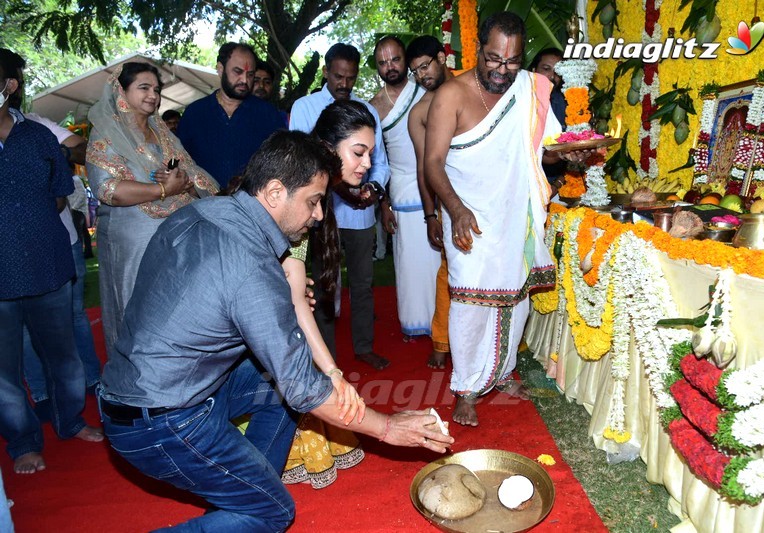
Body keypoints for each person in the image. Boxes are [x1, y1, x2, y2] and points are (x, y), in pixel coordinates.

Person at [99, 130, 454, 530]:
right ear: (273, 192)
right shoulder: (253, 266)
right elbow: (304, 387)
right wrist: (387, 428)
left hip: (141, 388)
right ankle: (250, 504)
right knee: (271, 512)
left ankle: (246, 487)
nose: (319, 215)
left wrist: (276, 311)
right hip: (161, 421)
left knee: (281, 385)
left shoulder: (199, 213)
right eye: (313, 201)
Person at [424, 12, 585, 426]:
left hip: (518, 213)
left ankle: (501, 372)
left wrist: (566, 153)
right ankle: (465, 388)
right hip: (468, 215)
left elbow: (543, 151)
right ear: (479, 49)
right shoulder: (451, 96)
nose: (502, 70)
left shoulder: (532, 89)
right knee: (469, 300)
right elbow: (433, 163)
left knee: (516, 296)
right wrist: (455, 210)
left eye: (512, 62)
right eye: (494, 59)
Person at [0, 48, 103, 476]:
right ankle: (23, 441)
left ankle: (70, 420)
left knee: (63, 357)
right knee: (5, 370)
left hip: (48, 265)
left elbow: (61, 192)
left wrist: (27, 223)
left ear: (9, 86)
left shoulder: (40, 136)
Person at [86, 62, 218, 355]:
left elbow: (193, 174)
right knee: (136, 309)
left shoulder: (162, 133)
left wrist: (182, 182)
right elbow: (108, 189)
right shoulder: (106, 133)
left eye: (157, 90)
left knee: (175, 310)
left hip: (175, 240)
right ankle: (134, 385)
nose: (153, 96)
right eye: (143, 88)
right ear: (122, 91)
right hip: (133, 243)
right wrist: (162, 190)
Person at [290, 43, 392, 370]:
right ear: (325, 72)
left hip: (361, 215)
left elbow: (381, 165)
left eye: (350, 78)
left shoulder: (367, 111)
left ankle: (364, 346)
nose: (344, 84)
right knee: (322, 284)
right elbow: (304, 160)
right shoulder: (306, 107)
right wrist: (343, 190)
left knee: (362, 283)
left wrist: (373, 188)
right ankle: (327, 357)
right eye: (338, 76)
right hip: (322, 214)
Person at [368, 36, 440, 344]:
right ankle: (414, 324)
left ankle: (444, 324)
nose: (390, 67)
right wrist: (384, 206)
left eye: (395, 59)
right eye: (383, 62)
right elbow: (376, 161)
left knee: (438, 261)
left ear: (405, 60)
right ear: (377, 67)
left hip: (436, 186)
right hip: (400, 193)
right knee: (409, 264)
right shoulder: (373, 106)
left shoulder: (426, 91)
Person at [407, 36, 456, 370]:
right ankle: (442, 340)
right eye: (416, 72)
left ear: (442, 57)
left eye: (425, 66)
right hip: (449, 201)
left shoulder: (473, 86)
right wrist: (430, 215)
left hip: (490, 194)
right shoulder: (420, 113)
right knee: (449, 271)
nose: (422, 76)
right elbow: (424, 166)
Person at [177, 43, 285, 189]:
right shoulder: (195, 113)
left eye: (250, 74)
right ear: (220, 69)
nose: (244, 80)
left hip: (251, 207)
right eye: (237, 72)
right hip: (203, 205)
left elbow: (282, 163)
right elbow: (179, 160)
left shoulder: (268, 115)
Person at [530, 48, 567, 187]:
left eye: (557, 72)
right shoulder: (519, 99)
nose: (552, 76)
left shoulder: (565, 104)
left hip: (555, 185)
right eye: (546, 68)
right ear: (534, 70)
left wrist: (557, 185)